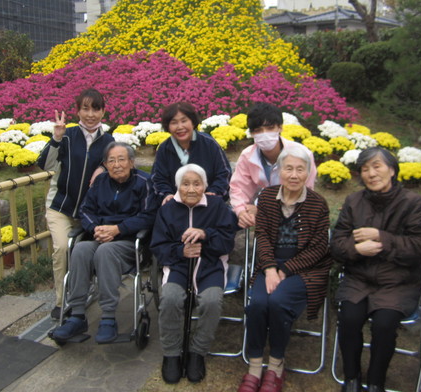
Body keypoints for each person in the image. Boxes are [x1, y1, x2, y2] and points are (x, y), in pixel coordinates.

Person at [331, 146, 421, 392]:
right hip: (359, 278)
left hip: (398, 282)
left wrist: (382, 238)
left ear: (392, 170)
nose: (371, 174)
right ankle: (352, 379)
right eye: (365, 169)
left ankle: (376, 382)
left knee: (384, 324)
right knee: (349, 317)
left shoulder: (413, 203)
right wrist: (357, 250)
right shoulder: (354, 201)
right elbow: (337, 244)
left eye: (377, 166)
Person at [238, 147, 332, 392]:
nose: (293, 174)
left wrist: (285, 270)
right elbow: (263, 236)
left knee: (278, 302)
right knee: (257, 304)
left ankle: (276, 364)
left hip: (304, 270)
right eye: (288, 168)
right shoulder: (267, 197)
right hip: (269, 264)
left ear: (308, 173)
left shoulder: (318, 204)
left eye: (300, 169)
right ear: (278, 172)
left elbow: (318, 249)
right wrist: (270, 268)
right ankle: (256, 365)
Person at [50, 142, 157, 343]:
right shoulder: (100, 182)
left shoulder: (145, 182)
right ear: (105, 164)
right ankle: (77, 315)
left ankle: (108, 317)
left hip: (129, 242)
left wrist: (118, 229)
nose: (116, 165)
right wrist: (95, 229)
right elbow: (85, 210)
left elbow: (149, 216)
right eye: (111, 160)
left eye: (121, 159)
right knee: (80, 248)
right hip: (100, 237)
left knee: (105, 252)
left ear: (131, 162)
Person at [150, 164, 237, 384]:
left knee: (211, 301)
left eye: (196, 183)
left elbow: (227, 242)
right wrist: (181, 250)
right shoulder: (167, 210)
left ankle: (197, 352)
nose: (191, 189)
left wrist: (206, 235)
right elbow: (158, 246)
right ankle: (171, 353)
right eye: (185, 184)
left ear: (204, 187)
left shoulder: (217, 206)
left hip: (210, 266)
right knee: (169, 299)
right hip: (178, 266)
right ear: (178, 187)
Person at [37, 88, 115, 320]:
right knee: (62, 249)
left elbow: (117, 168)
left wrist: (103, 167)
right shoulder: (68, 135)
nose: (90, 114)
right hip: (60, 207)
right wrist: (57, 137)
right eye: (85, 108)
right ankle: (62, 302)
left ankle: (81, 293)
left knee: (85, 254)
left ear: (103, 111)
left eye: (95, 109)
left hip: (88, 213)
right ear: (78, 110)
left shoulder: (108, 141)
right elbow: (45, 164)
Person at [230, 102, 317, 229]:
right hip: (262, 209)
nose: (264, 134)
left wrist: (263, 210)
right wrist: (242, 212)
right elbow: (239, 188)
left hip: (295, 213)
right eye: (258, 130)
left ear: (280, 127)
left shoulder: (302, 155)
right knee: (228, 217)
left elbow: (305, 194)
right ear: (252, 133)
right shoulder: (248, 156)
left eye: (270, 128)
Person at [151, 102, 231, 205]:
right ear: (168, 127)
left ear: (193, 122)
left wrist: (214, 192)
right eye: (174, 122)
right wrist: (167, 194)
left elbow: (224, 173)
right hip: (176, 204)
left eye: (184, 121)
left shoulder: (209, 144)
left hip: (208, 203)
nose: (180, 127)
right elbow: (157, 179)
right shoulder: (164, 149)